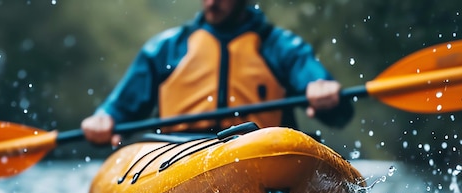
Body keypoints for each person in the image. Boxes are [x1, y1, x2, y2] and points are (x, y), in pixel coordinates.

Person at [81, 0, 354, 146]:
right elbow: (117, 112)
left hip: (258, 150)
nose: (211, 2)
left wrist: (325, 93)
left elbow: (336, 109)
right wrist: (103, 120)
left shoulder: (280, 47)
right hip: (176, 153)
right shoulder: (166, 49)